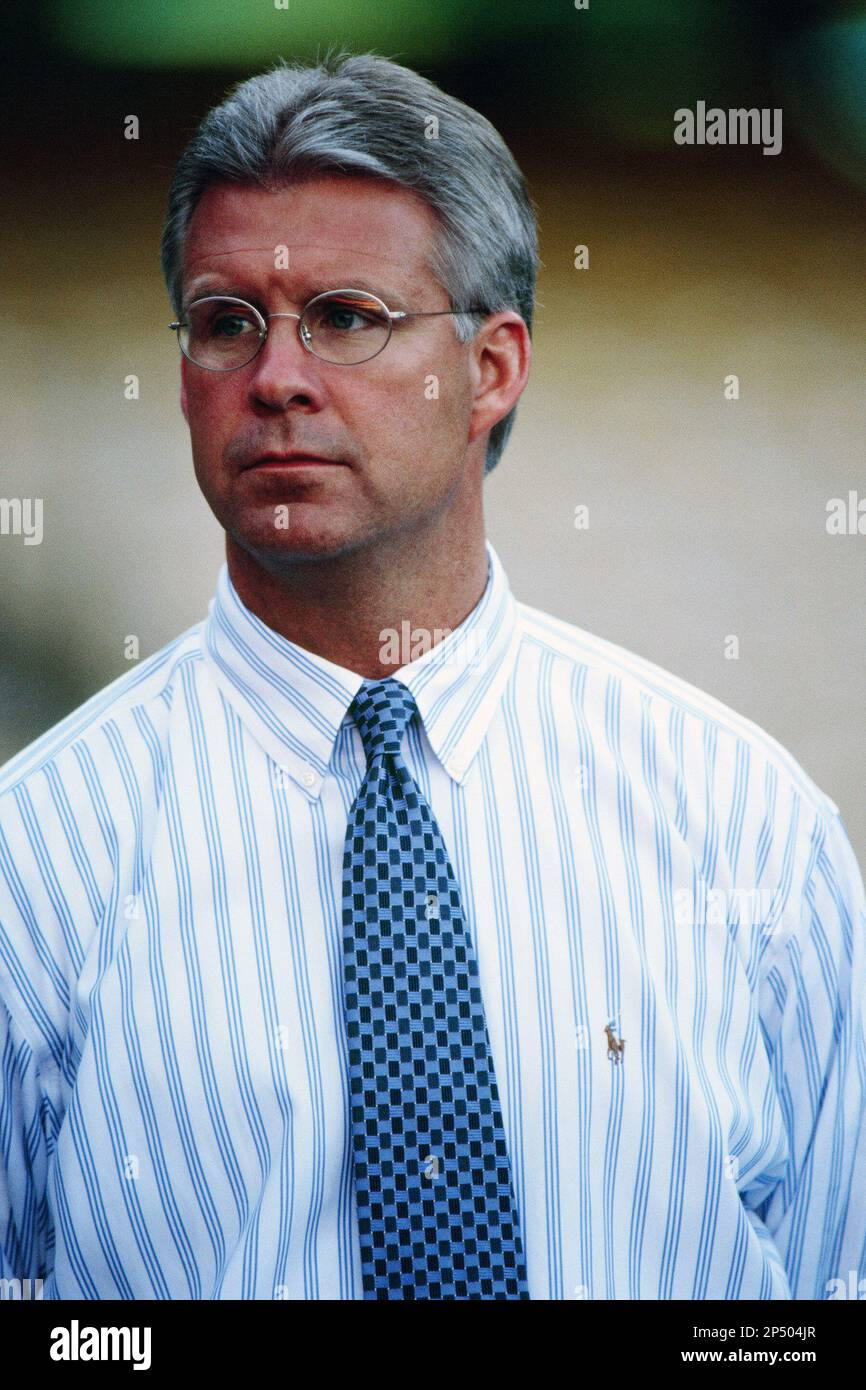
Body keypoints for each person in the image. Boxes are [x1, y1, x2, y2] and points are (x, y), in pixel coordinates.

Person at [1, 51, 864, 1302]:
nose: (276, 377)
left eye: (347, 318)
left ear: (493, 369)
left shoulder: (742, 823)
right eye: (223, 323)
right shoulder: (39, 865)